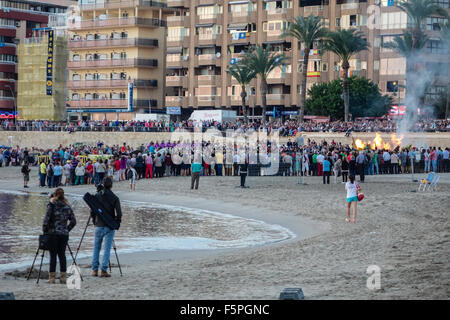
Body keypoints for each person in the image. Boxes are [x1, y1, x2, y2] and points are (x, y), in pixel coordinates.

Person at [42, 188, 76, 284]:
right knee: (62, 255)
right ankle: (63, 278)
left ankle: (52, 278)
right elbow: (73, 221)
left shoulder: (51, 206)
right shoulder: (67, 206)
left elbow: (46, 220)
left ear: (54, 195)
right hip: (64, 235)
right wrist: (67, 229)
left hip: (53, 234)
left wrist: (45, 231)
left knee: (53, 256)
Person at [91, 177, 122, 277]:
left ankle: (94, 270)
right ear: (111, 185)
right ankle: (103, 270)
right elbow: (119, 213)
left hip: (98, 225)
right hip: (109, 226)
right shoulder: (115, 197)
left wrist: (94, 221)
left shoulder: (97, 195)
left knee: (96, 248)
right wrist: (117, 223)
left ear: (103, 185)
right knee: (107, 249)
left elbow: (93, 210)